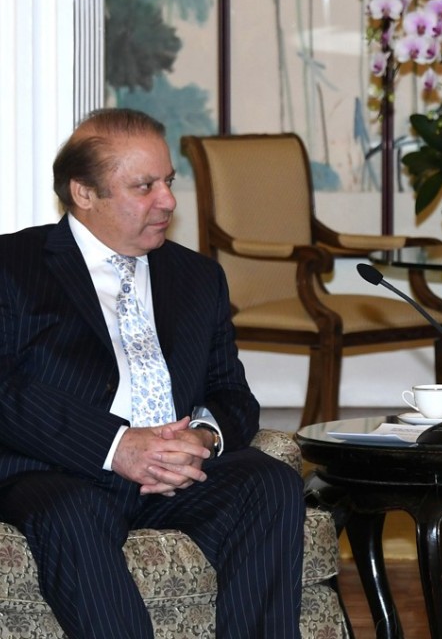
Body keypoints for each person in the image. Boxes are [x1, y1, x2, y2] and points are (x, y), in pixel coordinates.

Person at [0, 108, 305, 638]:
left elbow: (232, 392)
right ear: (84, 193)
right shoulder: (14, 265)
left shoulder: (196, 276)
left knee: (269, 483)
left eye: (168, 181)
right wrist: (117, 447)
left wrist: (202, 437)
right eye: (144, 186)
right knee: (71, 513)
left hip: (178, 470)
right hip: (60, 471)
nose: (167, 201)